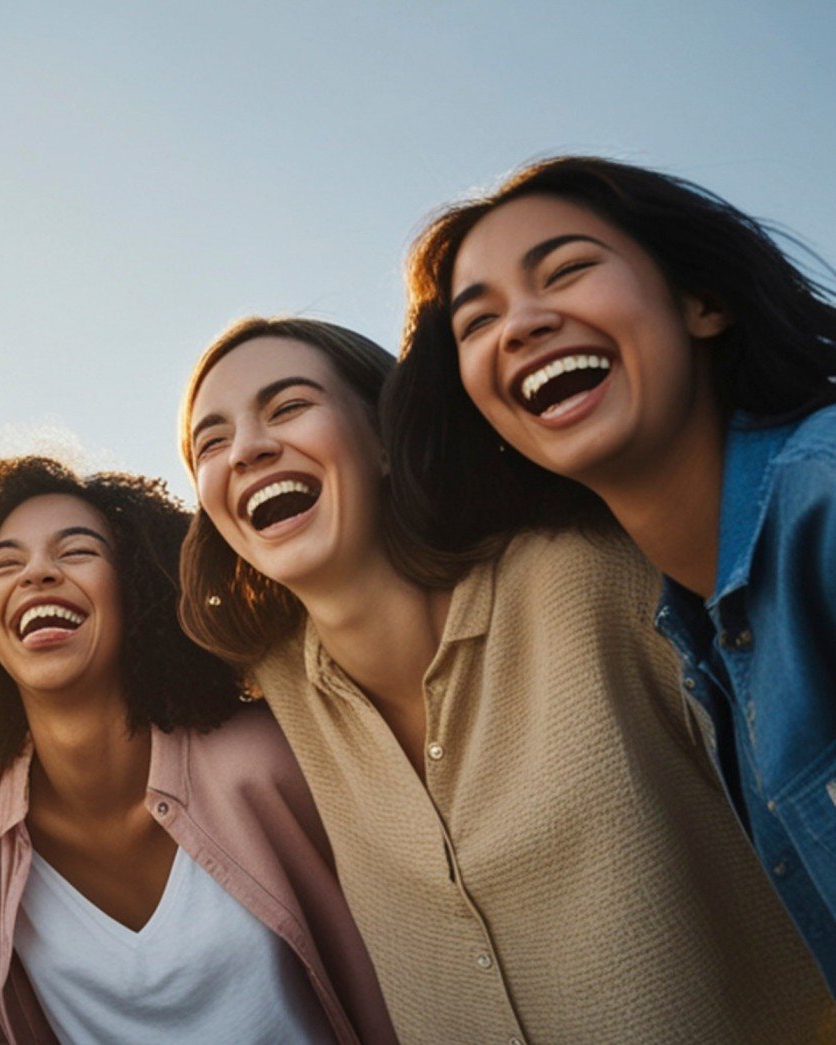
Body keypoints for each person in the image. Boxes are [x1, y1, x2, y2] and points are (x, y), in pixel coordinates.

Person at [180, 316, 833, 1042]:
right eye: (211, 441)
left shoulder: (591, 574)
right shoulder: (277, 689)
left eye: (289, 406)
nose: (247, 448)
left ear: (384, 436)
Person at [390, 155, 836, 986]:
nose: (519, 325)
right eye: (475, 322)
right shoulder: (699, 631)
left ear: (703, 301)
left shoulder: (822, 501)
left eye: (566, 270)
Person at [0, 457, 395, 1045]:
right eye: (6, 565)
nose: (38, 573)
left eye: (76, 552)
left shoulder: (266, 756)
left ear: (138, 594)